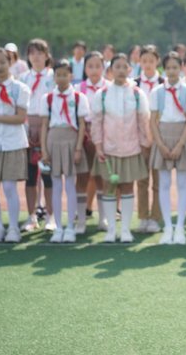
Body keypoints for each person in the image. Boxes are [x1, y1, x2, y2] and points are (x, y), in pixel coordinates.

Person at [91, 53, 151, 243]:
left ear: (130, 70)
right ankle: (110, 230)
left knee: (127, 188)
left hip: (131, 148)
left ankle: (125, 230)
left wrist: (145, 145)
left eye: (124, 67)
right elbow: (97, 122)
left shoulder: (137, 93)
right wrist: (98, 146)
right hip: (108, 149)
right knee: (109, 188)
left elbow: (144, 121)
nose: (121, 70)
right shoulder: (102, 94)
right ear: (110, 70)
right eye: (117, 67)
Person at [149, 52, 186, 245]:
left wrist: (180, 145)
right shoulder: (156, 92)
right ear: (163, 69)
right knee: (163, 183)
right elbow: (153, 121)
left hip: (183, 136)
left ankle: (180, 226)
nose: (171, 71)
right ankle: (167, 227)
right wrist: (161, 144)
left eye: (175, 67)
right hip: (163, 135)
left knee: (182, 183)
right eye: (168, 68)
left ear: (180, 68)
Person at [0, 49, 31, 242]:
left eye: (3, 62)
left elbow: (20, 117)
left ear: (10, 63)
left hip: (13, 142)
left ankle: (13, 229)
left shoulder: (20, 88)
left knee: (9, 187)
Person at [40, 60, 90, 243]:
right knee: (55, 186)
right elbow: (44, 125)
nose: (61, 78)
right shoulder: (47, 98)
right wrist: (44, 149)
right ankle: (58, 227)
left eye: (64, 74)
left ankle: (70, 226)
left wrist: (78, 148)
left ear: (71, 75)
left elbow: (82, 125)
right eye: (58, 75)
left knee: (70, 185)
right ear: (54, 77)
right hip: (53, 139)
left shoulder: (78, 97)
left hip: (71, 139)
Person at [20, 39, 55, 232]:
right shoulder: (23, 78)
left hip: (48, 129)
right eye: (32, 53)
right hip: (27, 130)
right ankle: (32, 216)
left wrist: (44, 129)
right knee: (30, 176)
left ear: (47, 55)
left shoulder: (53, 76)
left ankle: (51, 216)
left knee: (48, 175)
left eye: (40, 52)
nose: (36, 56)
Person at [74, 51, 108, 233]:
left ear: (104, 68)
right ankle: (81, 220)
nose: (94, 70)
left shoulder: (109, 88)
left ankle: (103, 219)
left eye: (98, 66)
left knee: (101, 177)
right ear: (85, 68)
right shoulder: (78, 89)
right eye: (90, 66)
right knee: (82, 178)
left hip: (103, 137)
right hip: (84, 135)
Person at [134, 45, 164, 234]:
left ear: (157, 61)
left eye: (151, 61)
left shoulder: (164, 83)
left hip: (160, 138)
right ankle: (143, 217)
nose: (147, 65)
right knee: (142, 180)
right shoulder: (134, 84)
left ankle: (155, 218)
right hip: (140, 138)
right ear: (139, 62)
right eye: (144, 61)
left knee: (159, 181)